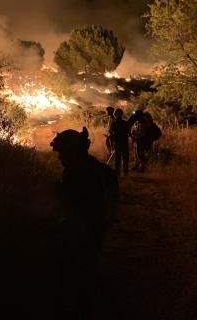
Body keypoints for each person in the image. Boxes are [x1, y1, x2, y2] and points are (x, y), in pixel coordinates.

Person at [50, 127, 118, 317]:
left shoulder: (79, 173)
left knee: (75, 279)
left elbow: (74, 206)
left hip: (82, 234)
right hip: (93, 231)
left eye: (62, 152)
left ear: (72, 151)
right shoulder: (97, 169)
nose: (59, 157)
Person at [108, 109, 130, 176]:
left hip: (117, 143)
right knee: (125, 158)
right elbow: (129, 132)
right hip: (125, 143)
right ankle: (125, 172)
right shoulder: (125, 123)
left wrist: (111, 143)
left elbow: (111, 133)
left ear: (115, 114)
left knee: (117, 159)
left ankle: (118, 172)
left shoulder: (114, 123)